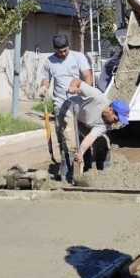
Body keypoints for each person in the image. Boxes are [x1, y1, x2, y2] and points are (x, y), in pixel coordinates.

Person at [39, 33, 93, 175]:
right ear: (55, 49)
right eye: (60, 51)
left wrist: (85, 91)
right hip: (60, 104)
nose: (63, 54)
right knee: (64, 138)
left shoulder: (78, 57)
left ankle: (80, 170)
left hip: (79, 103)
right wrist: (43, 88)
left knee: (78, 136)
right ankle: (68, 172)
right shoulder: (49, 62)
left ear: (69, 47)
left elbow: (87, 75)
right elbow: (46, 79)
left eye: (65, 50)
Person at [60, 76, 130, 180]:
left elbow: (90, 138)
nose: (117, 122)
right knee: (71, 143)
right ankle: (66, 178)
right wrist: (72, 86)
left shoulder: (106, 124)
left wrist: (80, 153)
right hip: (70, 110)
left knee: (102, 142)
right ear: (111, 110)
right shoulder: (97, 97)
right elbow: (77, 81)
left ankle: (102, 175)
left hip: (85, 121)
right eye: (117, 118)